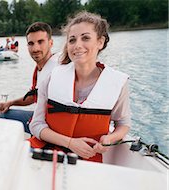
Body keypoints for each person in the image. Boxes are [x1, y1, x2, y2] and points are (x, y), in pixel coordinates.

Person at [29, 11, 131, 163]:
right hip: (44, 155)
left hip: (88, 162)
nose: (77, 45)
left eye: (86, 38)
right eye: (72, 40)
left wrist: (110, 138)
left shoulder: (117, 83)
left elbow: (123, 123)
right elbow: (36, 125)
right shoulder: (51, 77)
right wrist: (70, 143)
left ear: (100, 42)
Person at [0, 22, 59, 134]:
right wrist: (10, 103)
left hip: (52, 125)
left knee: (5, 119)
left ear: (50, 43)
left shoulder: (58, 68)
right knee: (5, 114)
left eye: (40, 42)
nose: (35, 48)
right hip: (42, 119)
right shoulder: (38, 69)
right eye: (31, 43)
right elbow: (32, 97)